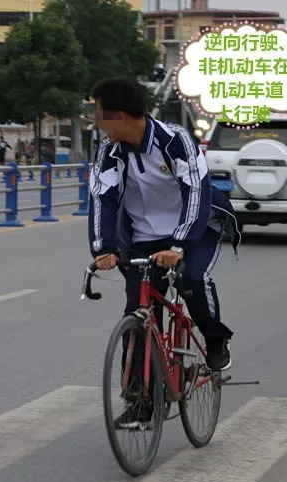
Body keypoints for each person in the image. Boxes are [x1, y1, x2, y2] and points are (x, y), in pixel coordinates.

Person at [86, 76, 241, 428]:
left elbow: (197, 194)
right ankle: (141, 403)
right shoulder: (110, 151)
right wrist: (104, 249)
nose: (97, 124)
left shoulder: (176, 140)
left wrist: (180, 245)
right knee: (137, 314)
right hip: (144, 237)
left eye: (100, 116)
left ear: (121, 116)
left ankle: (216, 338)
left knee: (191, 277)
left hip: (197, 229)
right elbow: (102, 199)